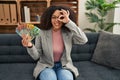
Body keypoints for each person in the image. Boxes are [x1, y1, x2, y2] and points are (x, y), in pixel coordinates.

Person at [21, 5, 88, 80]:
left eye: (60, 17)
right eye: (54, 17)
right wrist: (30, 46)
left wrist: (68, 22)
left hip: (64, 66)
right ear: (49, 18)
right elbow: (36, 56)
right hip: (46, 66)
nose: (57, 20)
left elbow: (83, 40)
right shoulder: (41, 33)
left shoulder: (68, 33)